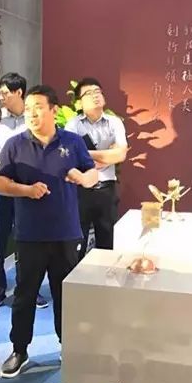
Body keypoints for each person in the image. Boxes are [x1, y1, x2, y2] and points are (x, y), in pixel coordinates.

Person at [0, 85, 98, 378]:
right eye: (28, 109)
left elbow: (92, 173)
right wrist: (26, 190)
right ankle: (19, 350)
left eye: (38, 107)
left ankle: (69, 346)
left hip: (66, 232)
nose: (32, 113)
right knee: (25, 294)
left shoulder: (73, 142)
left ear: (54, 110)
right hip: (30, 234)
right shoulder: (15, 145)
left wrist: (83, 178)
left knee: (66, 294)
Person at [0, 73, 48, 312]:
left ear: (19, 92)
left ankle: (29, 288)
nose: (0, 97)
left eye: (4, 93)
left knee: (28, 242)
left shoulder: (33, 118)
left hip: (26, 191)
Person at [65, 78, 127, 254]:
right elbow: (71, 158)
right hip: (81, 190)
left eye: (98, 91)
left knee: (107, 243)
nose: (95, 96)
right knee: (77, 243)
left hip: (106, 189)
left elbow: (120, 154)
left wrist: (85, 154)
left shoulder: (114, 122)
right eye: (89, 93)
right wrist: (107, 155)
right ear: (79, 102)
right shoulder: (73, 125)